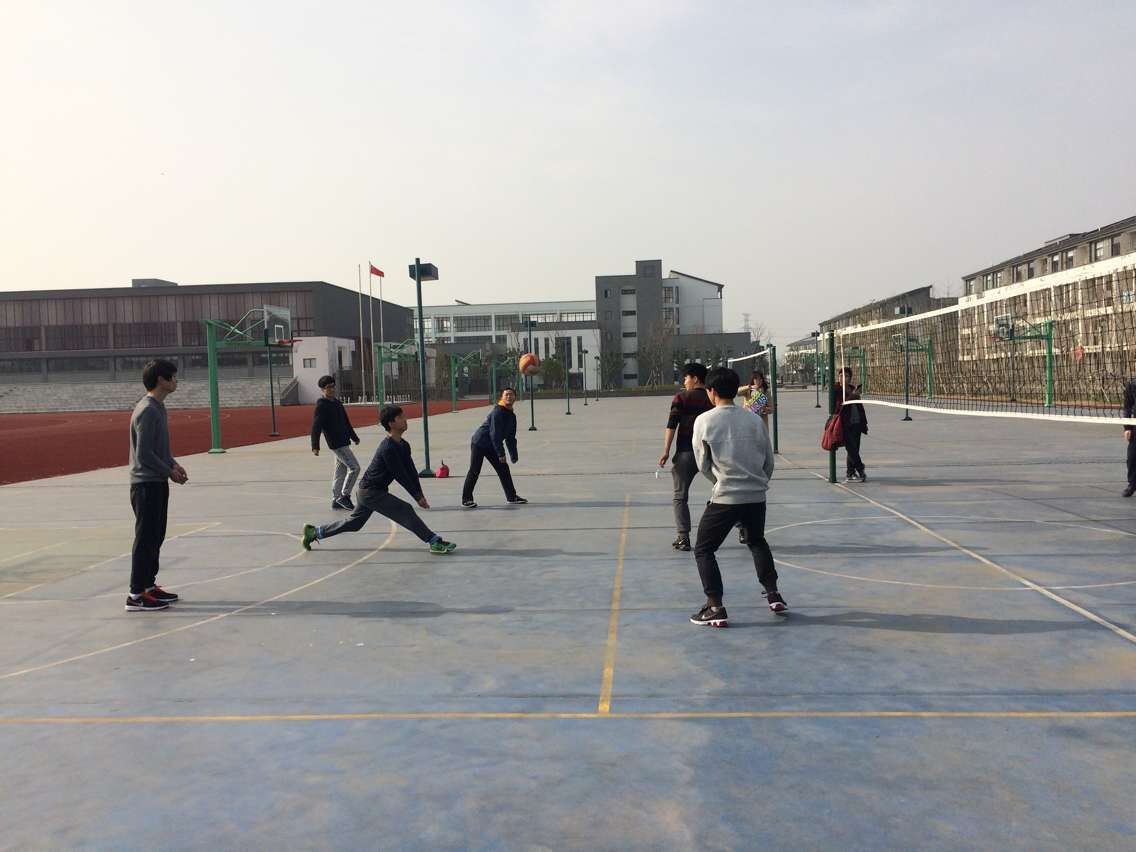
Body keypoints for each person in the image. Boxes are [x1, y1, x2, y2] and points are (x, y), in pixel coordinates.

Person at [688, 367, 786, 627]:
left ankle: (715, 607)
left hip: (726, 497)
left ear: (711, 392)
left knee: (704, 549)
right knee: (756, 540)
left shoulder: (705, 421)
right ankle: (773, 594)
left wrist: (719, 482)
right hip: (756, 496)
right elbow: (768, 460)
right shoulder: (753, 419)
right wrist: (758, 483)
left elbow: (702, 463)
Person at [302, 405, 457, 553]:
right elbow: (400, 475)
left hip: (370, 491)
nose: (405, 420)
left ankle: (315, 532)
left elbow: (411, 471)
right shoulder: (388, 448)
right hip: (370, 492)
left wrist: (420, 494)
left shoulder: (404, 445)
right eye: (400, 417)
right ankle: (433, 541)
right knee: (405, 509)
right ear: (391, 423)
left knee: (355, 523)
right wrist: (416, 497)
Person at [126, 359, 189, 612]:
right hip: (145, 484)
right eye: (173, 377)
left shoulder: (159, 407)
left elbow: (159, 448)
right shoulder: (147, 410)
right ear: (161, 380)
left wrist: (173, 464)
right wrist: (168, 472)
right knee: (145, 538)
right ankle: (135, 594)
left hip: (157, 480)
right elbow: (144, 454)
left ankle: (148, 586)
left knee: (156, 535)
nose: (176, 381)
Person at [659, 363, 714, 551]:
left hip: (686, 452)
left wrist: (666, 451)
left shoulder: (681, 398)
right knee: (725, 490)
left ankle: (683, 537)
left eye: (686, 378)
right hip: (710, 454)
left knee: (680, 497)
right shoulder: (712, 398)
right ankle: (742, 528)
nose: (684, 382)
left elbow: (671, 425)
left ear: (695, 378)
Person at [461, 387, 527, 508]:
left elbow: (511, 438)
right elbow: (495, 435)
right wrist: (501, 454)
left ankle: (512, 497)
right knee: (474, 470)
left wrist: (513, 455)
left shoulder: (512, 416)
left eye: (511, 394)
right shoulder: (498, 412)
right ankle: (466, 499)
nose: (509, 397)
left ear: (515, 398)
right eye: (506, 395)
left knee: (503, 469)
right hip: (480, 443)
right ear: (502, 397)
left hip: (492, 445)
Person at [310, 375, 361, 510]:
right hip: (336, 444)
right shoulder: (322, 406)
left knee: (340, 472)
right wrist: (315, 446)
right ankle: (344, 496)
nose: (332, 389)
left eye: (333, 386)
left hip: (344, 441)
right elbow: (316, 426)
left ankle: (336, 499)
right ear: (322, 389)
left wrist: (354, 437)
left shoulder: (337, 403)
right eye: (328, 387)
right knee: (355, 468)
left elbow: (346, 422)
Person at [737, 368, 775, 544]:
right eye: (755, 379)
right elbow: (737, 392)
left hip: (761, 427)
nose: (757, 382)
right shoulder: (748, 391)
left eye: (759, 379)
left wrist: (766, 408)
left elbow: (772, 409)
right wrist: (748, 388)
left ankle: (758, 471)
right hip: (747, 427)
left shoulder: (765, 393)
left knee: (761, 454)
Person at [835, 366, 868, 483]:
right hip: (844, 423)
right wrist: (852, 396)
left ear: (850, 378)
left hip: (857, 422)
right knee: (851, 448)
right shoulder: (836, 389)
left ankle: (850, 472)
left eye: (846, 376)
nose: (843, 378)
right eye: (841, 376)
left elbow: (859, 406)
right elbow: (839, 406)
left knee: (854, 448)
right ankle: (860, 468)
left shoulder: (853, 389)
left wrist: (863, 422)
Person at [1124, 377, 1136, 498]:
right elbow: (1127, 406)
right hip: (1135, 425)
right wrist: (1127, 427)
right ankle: (1132, 484)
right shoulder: (1132, 384)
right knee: (1132, 457)